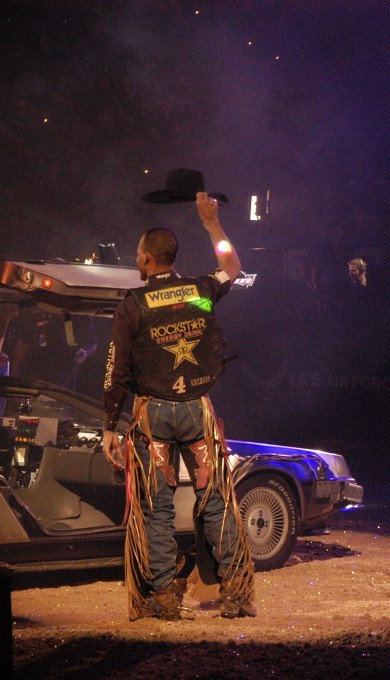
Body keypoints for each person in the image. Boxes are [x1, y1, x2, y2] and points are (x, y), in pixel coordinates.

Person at [102, 192, 256, 621]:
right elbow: (233, 268)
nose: (137, 258)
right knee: (216, 499)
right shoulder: (199, 292)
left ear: (149, 259)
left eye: (138, 254)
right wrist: (212, 224)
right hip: (196, 410)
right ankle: (235, 593)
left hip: (153, 416)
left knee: (156, 506)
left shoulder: (132, 306)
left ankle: (164, 597)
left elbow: (117, 371)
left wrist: (109, 426)